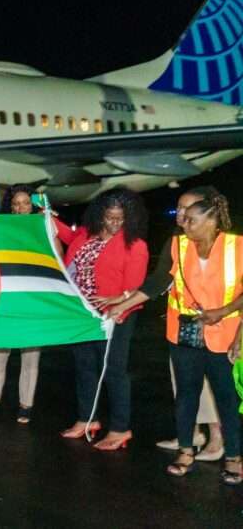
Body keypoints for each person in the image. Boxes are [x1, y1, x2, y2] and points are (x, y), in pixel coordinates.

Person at [95, 189, 242, 483]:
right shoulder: (178, 245)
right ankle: (186, 450)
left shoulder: (237, 247)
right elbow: (158, 282)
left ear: (209, 221)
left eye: (190, 219)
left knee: (227, 398)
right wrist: (121, 304)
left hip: (223, 333)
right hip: (183, 333)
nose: (183, 224)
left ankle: (235, 457)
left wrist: (223, 311)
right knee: (186, 395)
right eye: (182, 218)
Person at [56, 188, 149, 450]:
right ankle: (87, 419)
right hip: (82, 314)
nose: (116, 223)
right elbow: (65, 235)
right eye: (110, 217)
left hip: (116, 316)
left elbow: (135, 289)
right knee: (84, 368)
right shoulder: (86, 235)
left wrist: (119, 307)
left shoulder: (135, 245)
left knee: (114, 371)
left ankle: (120, 428)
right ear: (100, 215)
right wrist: (46, 217)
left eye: (121, 218)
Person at [146, 189, 224, 457]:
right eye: (179, 208)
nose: (181, 214)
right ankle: (189, 434)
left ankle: (217, 438)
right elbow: (161, 280)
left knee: (211, 384)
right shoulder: (177, 242)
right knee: (185, 383)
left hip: (215, 327)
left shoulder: (217, 243)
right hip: (181, 327)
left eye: (188, 209)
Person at [0, 184, 42, 423]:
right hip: (5, 297)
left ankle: (26, 404)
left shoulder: (41, 228)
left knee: (31, 354)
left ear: (32, 205)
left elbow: (56, 255)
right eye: (15, 204)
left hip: (32, 298)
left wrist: (49, 223)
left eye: (25, 203)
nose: (20, 208)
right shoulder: (1, 228)